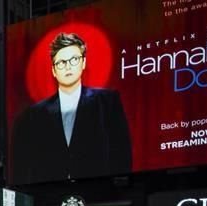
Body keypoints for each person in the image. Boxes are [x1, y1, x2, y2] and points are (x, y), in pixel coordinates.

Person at [11, 32, 132, 184]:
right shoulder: (34, 114)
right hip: (50, 194)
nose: (68, 66)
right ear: (54, 71)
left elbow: (121, 151)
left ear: (83, 63)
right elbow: (26, 165)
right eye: (61, 62)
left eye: (74, 59)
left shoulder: (107, 102)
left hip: (100, 190)